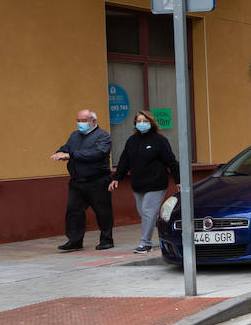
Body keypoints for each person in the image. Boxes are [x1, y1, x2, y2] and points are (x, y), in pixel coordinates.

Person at [109, 110, 180, 254]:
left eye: (145, 121)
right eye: (139, 121)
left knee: (148, 212)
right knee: (145, 214)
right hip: (138, 184)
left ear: (151, 123)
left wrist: (178, 181)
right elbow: (124, 162)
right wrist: (116, 178)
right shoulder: (132, 141)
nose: (142, 123)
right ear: (135, 124)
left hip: (156, 183)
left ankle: (145, 244)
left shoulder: (160, 140)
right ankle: (165, 223)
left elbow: (171, 162)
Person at [51, 108, 114, 251]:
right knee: (73, 211)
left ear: (93, 121)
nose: (80, 124)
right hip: (77, 181)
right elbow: (67, 148)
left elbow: (97, 153)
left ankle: (106, 239)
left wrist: (71, 155)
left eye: (84, 121)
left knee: (102, 211)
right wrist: (61, 152)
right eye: (78, 121)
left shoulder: (103, 136)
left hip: (97, 181)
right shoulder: (75, 135)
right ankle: (74, 241)